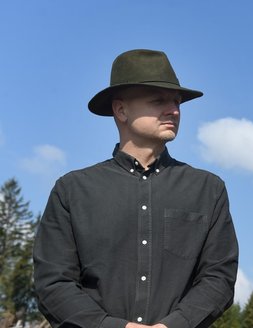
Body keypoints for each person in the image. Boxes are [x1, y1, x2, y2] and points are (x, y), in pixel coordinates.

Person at [33, 49, 239, 328]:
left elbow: (219, 278)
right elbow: (53, 283)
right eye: (158, 101)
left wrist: (173, 326)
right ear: (121, 110)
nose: (174, 110)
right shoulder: (72, 190)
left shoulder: (208, 189)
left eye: (177, 102)